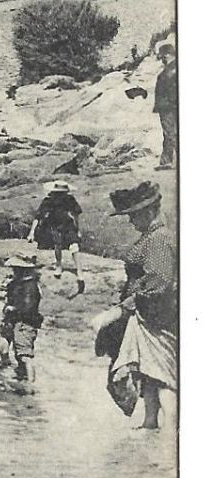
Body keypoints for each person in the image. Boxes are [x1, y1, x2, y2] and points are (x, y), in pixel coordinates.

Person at [99, 182, 177, 430]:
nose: (131, 222)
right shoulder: (153, 238)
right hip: (148, 313)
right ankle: (150, 423)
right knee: (149, 372)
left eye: (133, 216)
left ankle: (169, 433)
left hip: (157, 315)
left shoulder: (159, 240)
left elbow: (159, 282)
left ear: (148, 212)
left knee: (163, 375)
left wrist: (124, 307)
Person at [0, 255, 43, 392]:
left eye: (16, 269)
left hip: (25, 323)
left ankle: (30, 383)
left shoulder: (31, 286)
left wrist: (14, 308)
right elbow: (4, 295)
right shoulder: (15, 283)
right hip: (11, 320)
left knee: (24, 355)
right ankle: (8, 369)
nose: (13, 271)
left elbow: (29, 308)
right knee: (3, 348)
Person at [28, 180, 84, 290]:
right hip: (54, 225)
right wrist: (31, 233)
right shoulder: (48, 201)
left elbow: (75, 215)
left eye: (62, 193)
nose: (60, 195)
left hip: (67, 225)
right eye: (58, 193)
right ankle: (58, 265)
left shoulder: (69, 200)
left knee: (74, 246)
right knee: (57, 245)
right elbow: (38, 216)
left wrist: (78, 229)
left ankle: (79, 271)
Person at [154, 44, 177, 170]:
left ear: (167, 55)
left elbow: (171, 90)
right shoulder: (172, 68)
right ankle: (166, 161)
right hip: (169, 106)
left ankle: (168, 161)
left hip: (168, 107)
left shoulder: (170, 71)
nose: (161, 59)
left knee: (169, 133)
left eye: (162, 56)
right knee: (169, 133)